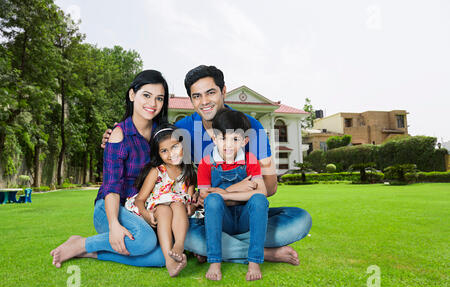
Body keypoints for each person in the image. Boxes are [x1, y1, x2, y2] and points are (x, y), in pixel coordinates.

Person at [102, 65, 312, 266]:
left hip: (248, 210)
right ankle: (260, 252)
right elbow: (153, 139)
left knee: (300, 220)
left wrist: (224, 193)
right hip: (210, 215)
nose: (204, 102)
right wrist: (115, 136)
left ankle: (218, 246)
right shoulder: (183, 129)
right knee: (186, 231)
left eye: (210, 93)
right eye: (196, 96)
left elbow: (270, 187)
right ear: (191, 100)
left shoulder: (251, 127)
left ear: (223, 91)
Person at [50, 70, 188, 276]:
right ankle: (82, 244)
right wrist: (114, 224)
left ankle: (90, 252)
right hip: (112, 208)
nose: (153, 103)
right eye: (146, 95)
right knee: (145, 241)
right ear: (132, 95)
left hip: (145, 209)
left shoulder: (163, 135)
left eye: (159, 98)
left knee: (163, 256)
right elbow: (111, 186)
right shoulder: (118, 135)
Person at [198, 108, 269, 281]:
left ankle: (254, 261)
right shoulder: (206, 162)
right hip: (223, 222)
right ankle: (214, 261)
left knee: (259, 200)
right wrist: (241, 187)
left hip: (246, 219)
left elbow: (262, 192)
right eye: (223, 138)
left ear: (244, 141)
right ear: (214, 138)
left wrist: (224, 195)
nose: (228, 145)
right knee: (212, 202)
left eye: (235, 139)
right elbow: (205, 197)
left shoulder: (250, 159)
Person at [125, 123, 196, 276]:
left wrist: (191, 207)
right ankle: (169, 261)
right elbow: (140, 199)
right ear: (158, 154)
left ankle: (179, 245)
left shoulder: (188, 173)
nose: (171, 154)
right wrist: (144, 213)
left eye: (175, 147)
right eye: (164, 150)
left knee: (178, 204)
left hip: (178, 213)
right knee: (163, 210)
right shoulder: (157, 172)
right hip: (156, 212)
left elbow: (189, 201)